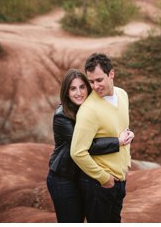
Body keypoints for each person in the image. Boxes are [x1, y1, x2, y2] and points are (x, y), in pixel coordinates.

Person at [47, 69, 134, 223]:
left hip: (83, 176)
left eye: (82, 87)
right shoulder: (62, 116)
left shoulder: (90, 108)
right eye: (73, 89)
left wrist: (127, 134)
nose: (78, 93)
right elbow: (86, 147)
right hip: (64, 178)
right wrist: (117, 141)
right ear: (66, 92)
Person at [71, 53, 133, 222]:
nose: (95, 86)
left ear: (111, 74)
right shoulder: (88, 110)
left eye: (99, 80)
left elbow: (119, 128)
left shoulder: (122, 95)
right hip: (99, 185)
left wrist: (129, 135)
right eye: (91, 82)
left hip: (120, 180)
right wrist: (104, 179)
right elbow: (77, 152)